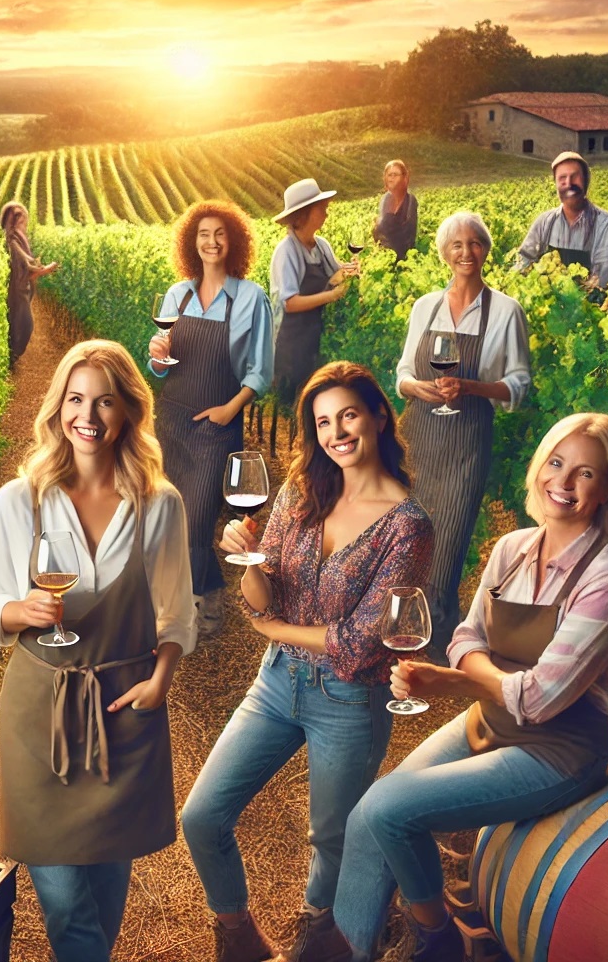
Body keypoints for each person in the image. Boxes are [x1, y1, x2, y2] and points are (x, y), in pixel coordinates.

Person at [312, 414, 608, 962]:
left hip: (557, 750)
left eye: (586, 473)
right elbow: (467, 634)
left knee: (392, 807)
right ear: (539, 469)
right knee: (368, 815)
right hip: (488, 722)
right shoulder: (513, 548)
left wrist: (462, 679)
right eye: (556, 463)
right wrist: (477, 671)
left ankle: (437, 940)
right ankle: (358, 949)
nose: (563, 481)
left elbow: (540, 700)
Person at [181, 362, 433, 962]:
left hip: (348, 700)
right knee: (202, 816)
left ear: (377, 416)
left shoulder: (408, 526)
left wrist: (273, 626)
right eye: (323, 421)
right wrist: (248, 562)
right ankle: (237, 936)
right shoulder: (300, 490)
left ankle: (319, 941)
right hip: (276, 680)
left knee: (330, 839)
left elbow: (364, 640)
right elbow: (264, 598)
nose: (336, 432)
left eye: (348, 415)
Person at [0, 340, 195, 962]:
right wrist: (23, 611)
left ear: (128, 411)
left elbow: (177, 613)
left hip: (127, 712)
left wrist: (163, 680)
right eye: (75, 399)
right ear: (58, 408)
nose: (88, 417)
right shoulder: (20, 501)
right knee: (66, 903)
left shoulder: (161, 504)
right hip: (40, 715)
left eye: (104, 401)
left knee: (104, 893)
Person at [396, 212, 532, 657]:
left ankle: (438, 649)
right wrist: (419, 389)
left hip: (467, 441)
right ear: (444, 253)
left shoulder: (507, 311)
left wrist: (470, 388)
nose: (466, 252)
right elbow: (402, 374)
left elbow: (518, 384)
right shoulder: (425, 307)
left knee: (448, 543)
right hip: (417, 433)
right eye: (457, 244)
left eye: (475, 243)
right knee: (406, 536)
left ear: (486, 250)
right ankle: (402, 632)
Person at [147, 200, 272, 638]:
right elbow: (161, 367)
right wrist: (156, 357)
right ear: (191, 241)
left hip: (217, 423)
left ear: (233, 241)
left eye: (220, 233)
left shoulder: (250, 297)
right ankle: (191, 598)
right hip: (172, 421)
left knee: (197, 518)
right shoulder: (176, 294)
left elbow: (260, 370)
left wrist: (229, 410)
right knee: (168, 516)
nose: (212, 241)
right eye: (203, 233)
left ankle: (202, 606)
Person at [270, 179, 357, 414]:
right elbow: (290, 303)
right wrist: (331, 296)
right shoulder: (286, 251)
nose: (326, 212)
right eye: (321, 207)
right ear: (304, 214)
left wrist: (349, 270)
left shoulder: (320, 245)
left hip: (314, 337)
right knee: (294, 405)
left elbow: (334, 274)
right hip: (291, 343)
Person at [513, 151, 608, 290]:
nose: (569, 183)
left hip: (588, 306)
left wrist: (568, 298)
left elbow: (602, 278)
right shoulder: (544, 222)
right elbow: (524, 260)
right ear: (556, 184)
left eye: (575, 176)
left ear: (586, 181)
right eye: (562, 178)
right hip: (549, 305)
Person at [0, 201, 60, 368]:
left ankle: (11, 360)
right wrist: (47, 269)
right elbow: (26, 270)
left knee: (17, 324)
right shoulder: (12, 241)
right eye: (23, 221)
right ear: (16, 221)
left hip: (19, 292)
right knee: (23, 325)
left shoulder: (15, 240)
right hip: (16, 293)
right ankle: (11, 360)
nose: (25, 225)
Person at [373, 159, 418, 261]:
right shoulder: (385, 199)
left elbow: (409, 233)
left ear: (403, 177)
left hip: (404, 255)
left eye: (395, 175)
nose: (391, 178)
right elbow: (380, 229)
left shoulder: (410, 200)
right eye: (389, 175)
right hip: (384, 254)